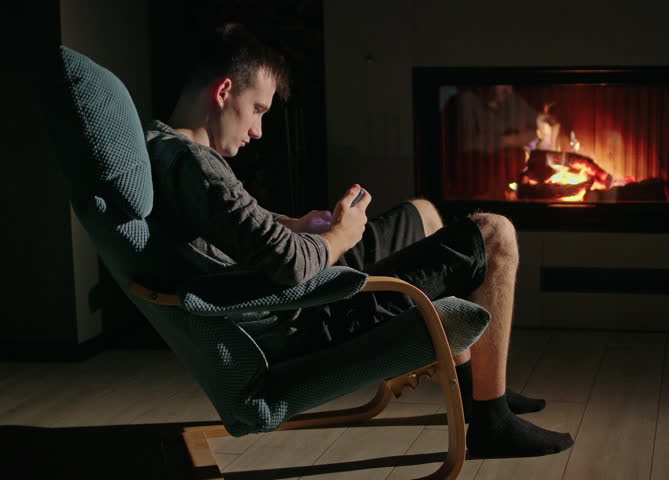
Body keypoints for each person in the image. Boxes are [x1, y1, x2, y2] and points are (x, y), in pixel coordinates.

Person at [145, 23, 574, 458]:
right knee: (495, 233)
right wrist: (341, 234)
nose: (258, 130)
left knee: (423, 213)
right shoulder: (195, 168)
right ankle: (491, 420)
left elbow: (230, 230)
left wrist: (294, 224)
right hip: (311, 314)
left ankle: (470, 388)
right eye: (257, 109)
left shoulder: (166, 148)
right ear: (223, 92)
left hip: (305, 292)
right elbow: (290, 267)